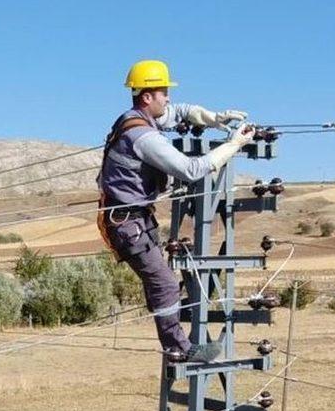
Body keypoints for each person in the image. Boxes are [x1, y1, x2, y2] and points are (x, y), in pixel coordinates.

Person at [97, 59, 254, 362]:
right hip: (128, 226)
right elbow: (193, 169)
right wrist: (235, 144)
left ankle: (175, 341)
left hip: (136, 221)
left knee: (161, 284)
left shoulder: (133, 118)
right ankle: (178, 349)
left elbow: (178, 112)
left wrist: (213, 117)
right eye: (163, 92)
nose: (167, 97)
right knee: (166, 283)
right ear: (147, 96)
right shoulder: (143, 137)